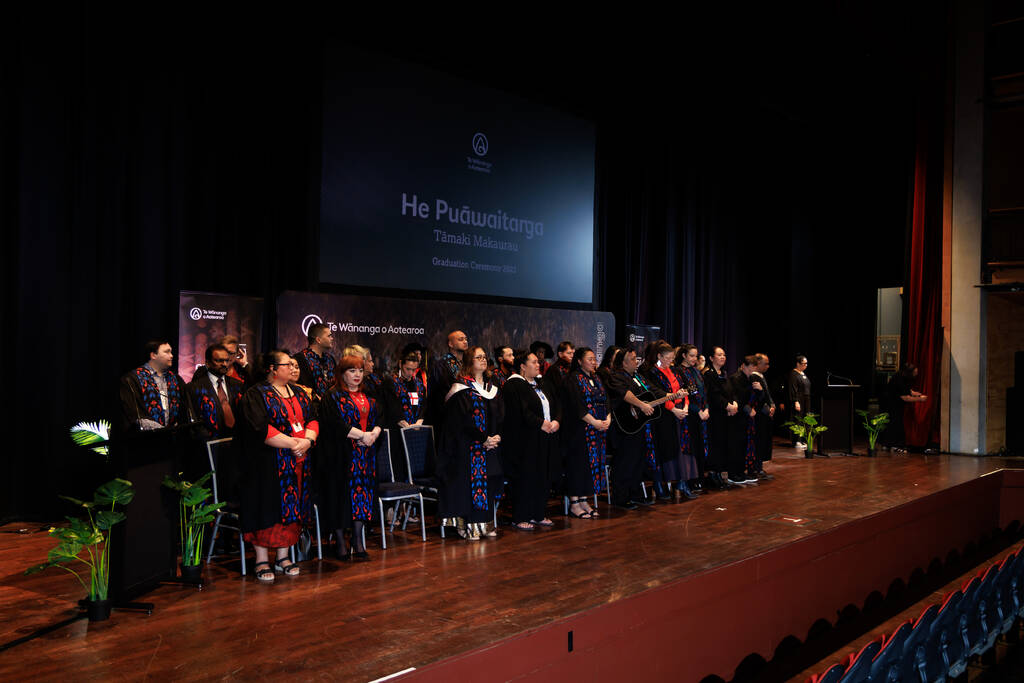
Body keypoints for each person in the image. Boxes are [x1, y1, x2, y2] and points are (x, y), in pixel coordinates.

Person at [239, 350, 317, 583]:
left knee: (293, 508)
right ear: (272, 369)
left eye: (294, 365)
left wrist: (308, 441)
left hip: (298, 460)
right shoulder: (256, 394)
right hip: (266, 463)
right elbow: (260, 428)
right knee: (265, 507)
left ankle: (283, 556)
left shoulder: (300, 393)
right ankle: (261, 559)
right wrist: (295, 443)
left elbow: (312, 419)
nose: (293, 368)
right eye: (287, 365)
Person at [437, 346, 504, 540]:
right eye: (478, 357)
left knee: (489, 483)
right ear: (469, 362)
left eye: (485, 357)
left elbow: (499, 416)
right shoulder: (461, 388)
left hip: (489, 447)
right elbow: (461, 421)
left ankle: (485, 524)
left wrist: (496, 436)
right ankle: (468, 526)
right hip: (466, 448)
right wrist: (483, 439)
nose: (483, 360)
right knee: (467, 486)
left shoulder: (493, 388)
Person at [319, 354, 381, 561]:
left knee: (362, 497)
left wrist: (373, 434)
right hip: (341, 456)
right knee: (340, 497)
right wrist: (362, 435)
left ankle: (357, 539)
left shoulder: (369, 394)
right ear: (342, 373)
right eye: (352, 371)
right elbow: (334, 424)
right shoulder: (332, 396)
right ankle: (340, 542)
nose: (357, 375)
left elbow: (380, 417)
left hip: (366, 456)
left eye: (360, 371)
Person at [501, 350, 561, 530]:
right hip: (525, 440)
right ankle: (521, 516)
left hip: (546, 436)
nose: (538, 365)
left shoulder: (542, 383)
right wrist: (540, 423)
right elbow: (520, 412)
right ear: (522, 366)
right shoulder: (513, 385)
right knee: (526, 477)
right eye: (534, 362)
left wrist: (557, 420)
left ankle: (538, 513)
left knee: (543, 476)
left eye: (538, 362)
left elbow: (557, 403)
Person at [640, 342, 698, 501]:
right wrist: (674, 409)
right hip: (665, 416)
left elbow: (684, 390)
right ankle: (660, 484)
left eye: (672, 358)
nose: (669, 361)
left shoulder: (673, 371)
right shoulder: (652, 372)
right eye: (667, 358)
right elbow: (658, 395)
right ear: (659, 356)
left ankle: (682, 483)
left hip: (680, 415)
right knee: (665, 452)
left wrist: (685, 406)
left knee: (683, 451)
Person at [606, 348, 661, 509]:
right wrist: (642, 405)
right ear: (622, 362)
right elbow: (625, 394)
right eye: (632, 359)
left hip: (639, 426)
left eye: (636, 358)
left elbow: (652, 390)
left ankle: (635, 494)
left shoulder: (637, 376)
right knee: (625, 461)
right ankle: (621, 498)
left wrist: (671, 394)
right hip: (624, 427)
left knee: (638, 461)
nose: (636, 361)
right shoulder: (616, 377)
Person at [561, 347, 608, 519]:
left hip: (598, 431)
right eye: (590, 359)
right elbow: (576, 406)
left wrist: (607, 417)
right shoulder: (572, 379)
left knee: (590, 466)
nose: (594, 362)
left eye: (594, 359)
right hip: (579, 431)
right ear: (579, 361)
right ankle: (574, 502)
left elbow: (606, 400)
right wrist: (594, 422)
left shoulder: (596, 378)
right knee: (578, 466)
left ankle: (584, 500)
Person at [119, 340, 189, 432]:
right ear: (153, 355)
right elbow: (133, 413)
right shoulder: (132, 379)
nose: (171, 355)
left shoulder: (176, 379)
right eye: (166, 352)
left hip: (173, 439)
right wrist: (162, 431)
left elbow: (184, 410)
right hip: (145, 439)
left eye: (171, 352)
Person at [676, 344, 711, 493]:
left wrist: (707, 408)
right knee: (692, 448)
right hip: (690, 416)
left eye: (695, 356)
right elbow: (687, 395)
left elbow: (704, 393)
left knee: (701, 447)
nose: (694, 359)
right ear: (684, 355)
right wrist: (698, 411)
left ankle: (700, 478)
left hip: (702, 415)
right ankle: (691, 480)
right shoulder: (679, 371)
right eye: (691, 355)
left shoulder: (697, 371)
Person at [703, 346, 737, 490]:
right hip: (715, 415)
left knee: (724, 444)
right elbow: (713, 395)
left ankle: (719, 473)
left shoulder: (723, 373)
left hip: (726, 415)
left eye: (724, 354)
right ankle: (712, 474)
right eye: (719, 355)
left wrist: (734, 403)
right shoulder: (709, 374)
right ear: (711, 358)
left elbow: (731, 391)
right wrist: (727, 406)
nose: (722, 357)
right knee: (715, 444)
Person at [727, 356, 763, 486]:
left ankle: (742, 471)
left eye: (754, 368)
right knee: (736, 446)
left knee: (744, 445)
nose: (751, 370)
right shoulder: (735, 378)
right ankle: (733, 474)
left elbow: (757, 398)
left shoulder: (752, 378)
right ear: (743, 366)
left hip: (747, 419)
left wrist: (760, 390)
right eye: (750, 368)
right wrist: (748, 409)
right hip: (737, 417)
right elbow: (736, 397)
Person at [882, 363, 928, 453]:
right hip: (892, 404)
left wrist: (915, 393)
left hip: (891, 403)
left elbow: (907, 390)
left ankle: (887, 445)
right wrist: (920, 399)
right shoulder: (900, 379)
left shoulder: (901, 376)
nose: (916, 374)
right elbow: (905, 397)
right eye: (915, 373)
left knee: (892, 424)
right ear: (909, 373)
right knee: (896, 424)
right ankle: (895, 446)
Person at [428, 330, 469, 425]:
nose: (465, 341)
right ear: (451, 344)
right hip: (448, 417)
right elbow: (441, 393)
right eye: (461, 339)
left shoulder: (467, 364)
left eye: (466, 339)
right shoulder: (442, 365)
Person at [295, 323, 336, 401]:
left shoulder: (330, 359)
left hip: (331, 406)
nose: (332, 338)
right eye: (329, 336)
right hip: (311, 407)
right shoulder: (300, 358)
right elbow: (302, 387)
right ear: (318, 340)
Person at [752, 353, 775, 479]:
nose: (767, 366)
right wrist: (768, 409)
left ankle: (759, 466)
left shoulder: (761, 376)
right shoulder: (754, 377)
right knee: (758, 441)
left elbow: (767, 395)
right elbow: (758, 398)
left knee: (763, 441)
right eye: (765, 363)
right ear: (758, 364)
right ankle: (756, 467)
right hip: (759, 415)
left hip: (764, 414)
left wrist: (772, 405)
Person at [787, 355, 811, 452]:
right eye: (803, 363)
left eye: (806, 363)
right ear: (798, 364)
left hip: (806, 399)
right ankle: (797, 441)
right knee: (798, 419)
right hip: (799, 399)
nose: (805, 365)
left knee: (805, 419)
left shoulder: (802, 374)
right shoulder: (793, 374)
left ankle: (802, 440)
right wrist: (796, 401)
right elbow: (793, 389)